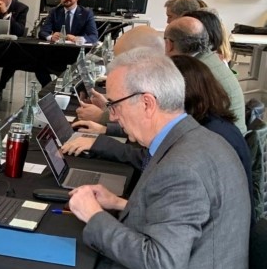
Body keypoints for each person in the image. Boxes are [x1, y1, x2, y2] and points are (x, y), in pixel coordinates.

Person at [67, 48, 249, 269]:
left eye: (116, 105)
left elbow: (162, 263)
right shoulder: (197, 140)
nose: (115, 117)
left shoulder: (183, 166)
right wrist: (119, 205)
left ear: (147, 103)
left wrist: (95, 218)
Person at [64, 55, 253, 208]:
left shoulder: (199, 145)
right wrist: (120, 203)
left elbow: (159, 252)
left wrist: (94, 216)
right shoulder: (207, 124)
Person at [164, 15, 246, 133]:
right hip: (233, 136)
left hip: (221, 142)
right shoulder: (209, 59)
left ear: (169, 44)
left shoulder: (193, 72)